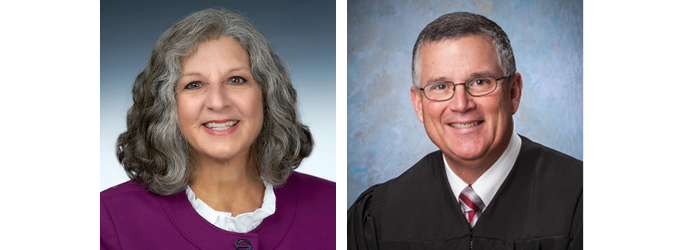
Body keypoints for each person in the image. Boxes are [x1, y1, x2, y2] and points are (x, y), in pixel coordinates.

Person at [100, 8, 335, 249]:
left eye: (236, 80)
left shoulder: (333, 207)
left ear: (267, 95)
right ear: (166, 104)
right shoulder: (105, 221)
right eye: (194, 84)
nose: (218, 102)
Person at [348, 12, 582, 250]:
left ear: (513, 92)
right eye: (440, 86)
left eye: (480, 82)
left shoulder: (580, 201)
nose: (461, 104)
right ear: (418, 104)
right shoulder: (380, 216)